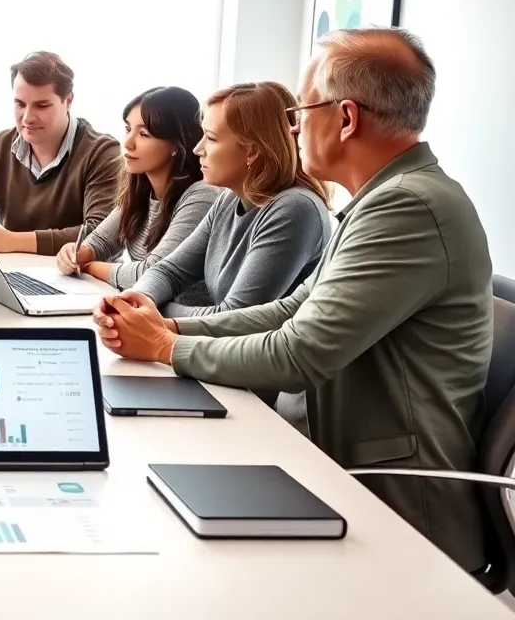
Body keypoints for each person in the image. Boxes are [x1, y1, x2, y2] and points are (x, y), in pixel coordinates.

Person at [92, 28, 492, 574]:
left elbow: (299, 353)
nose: (295, 125)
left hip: (386, 507)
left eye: (301, 110)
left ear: (346, 118)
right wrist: (170, 331)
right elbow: (291, 309)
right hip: (319, 461)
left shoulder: (407, 208)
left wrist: (164, 348)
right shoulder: (380, 200)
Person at [119, 81, 333, 317]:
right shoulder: (228, 199)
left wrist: (150, 309)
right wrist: (140, 298)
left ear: (252, 151)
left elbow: (232, 317)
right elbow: (169, 271)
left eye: (211, 138)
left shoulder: (296, 209)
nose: (197, 149)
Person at [0, 52, 122, 255]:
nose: (27, 118)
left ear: (68, 101)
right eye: (20, 104)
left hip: (81, 272)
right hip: (15, 268)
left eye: (42, 105)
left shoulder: (102, 153)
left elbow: (99, 235)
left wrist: (12, 241)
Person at [55, 86, 218, 304]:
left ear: (176, 145)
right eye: (127, 129)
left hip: (186, 320)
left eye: (143, 134)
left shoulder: (202, 196)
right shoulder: (140, 189)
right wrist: (74, 254)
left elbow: (152, 273)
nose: (128, 143)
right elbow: (100, 243)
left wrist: (89, 266)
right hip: (148, 312)